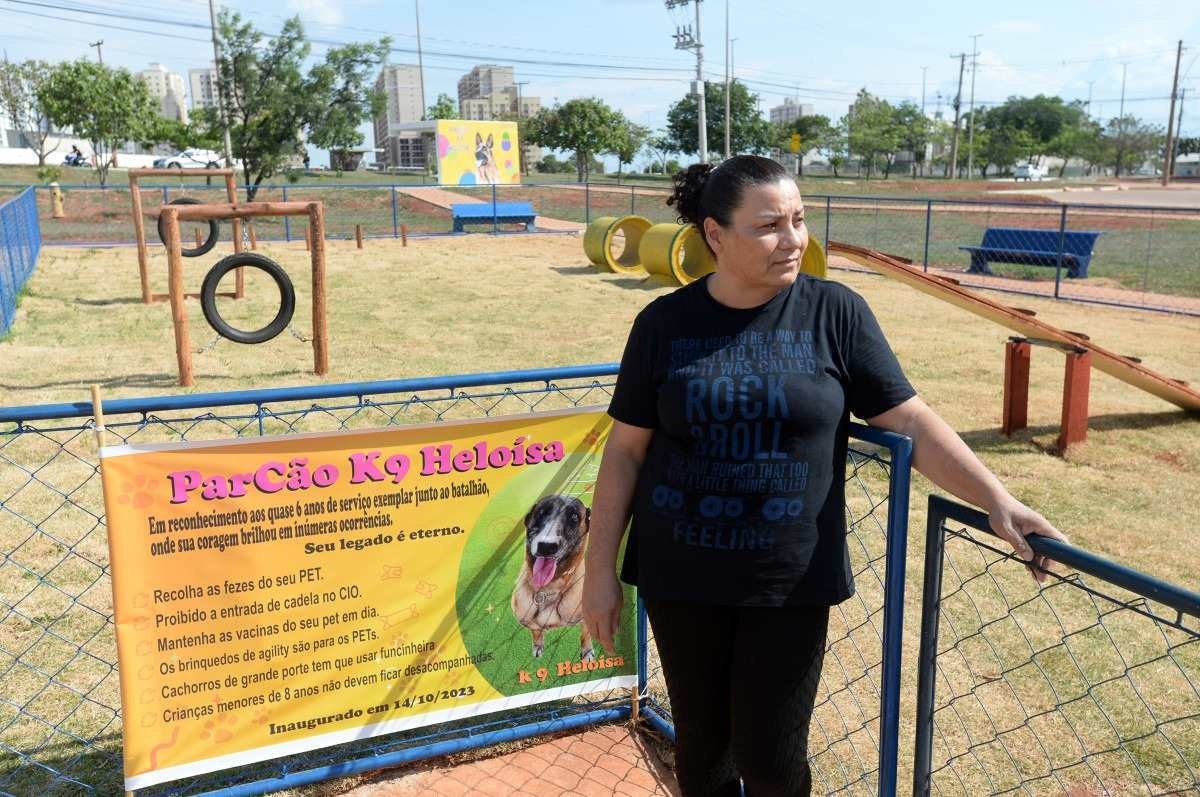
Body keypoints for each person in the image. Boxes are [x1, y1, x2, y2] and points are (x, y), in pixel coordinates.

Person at [581, 155, 1067, 797]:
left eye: (799, 219)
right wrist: (598, 572)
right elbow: (624, 454)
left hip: (788, 580)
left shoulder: (835, 314)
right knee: (702, 754)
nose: (793, 240)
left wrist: (996, 498)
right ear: (715, 235)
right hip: (681, 574)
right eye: (769, 226)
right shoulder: (664, 325)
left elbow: (910, 421)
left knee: (774, 761)